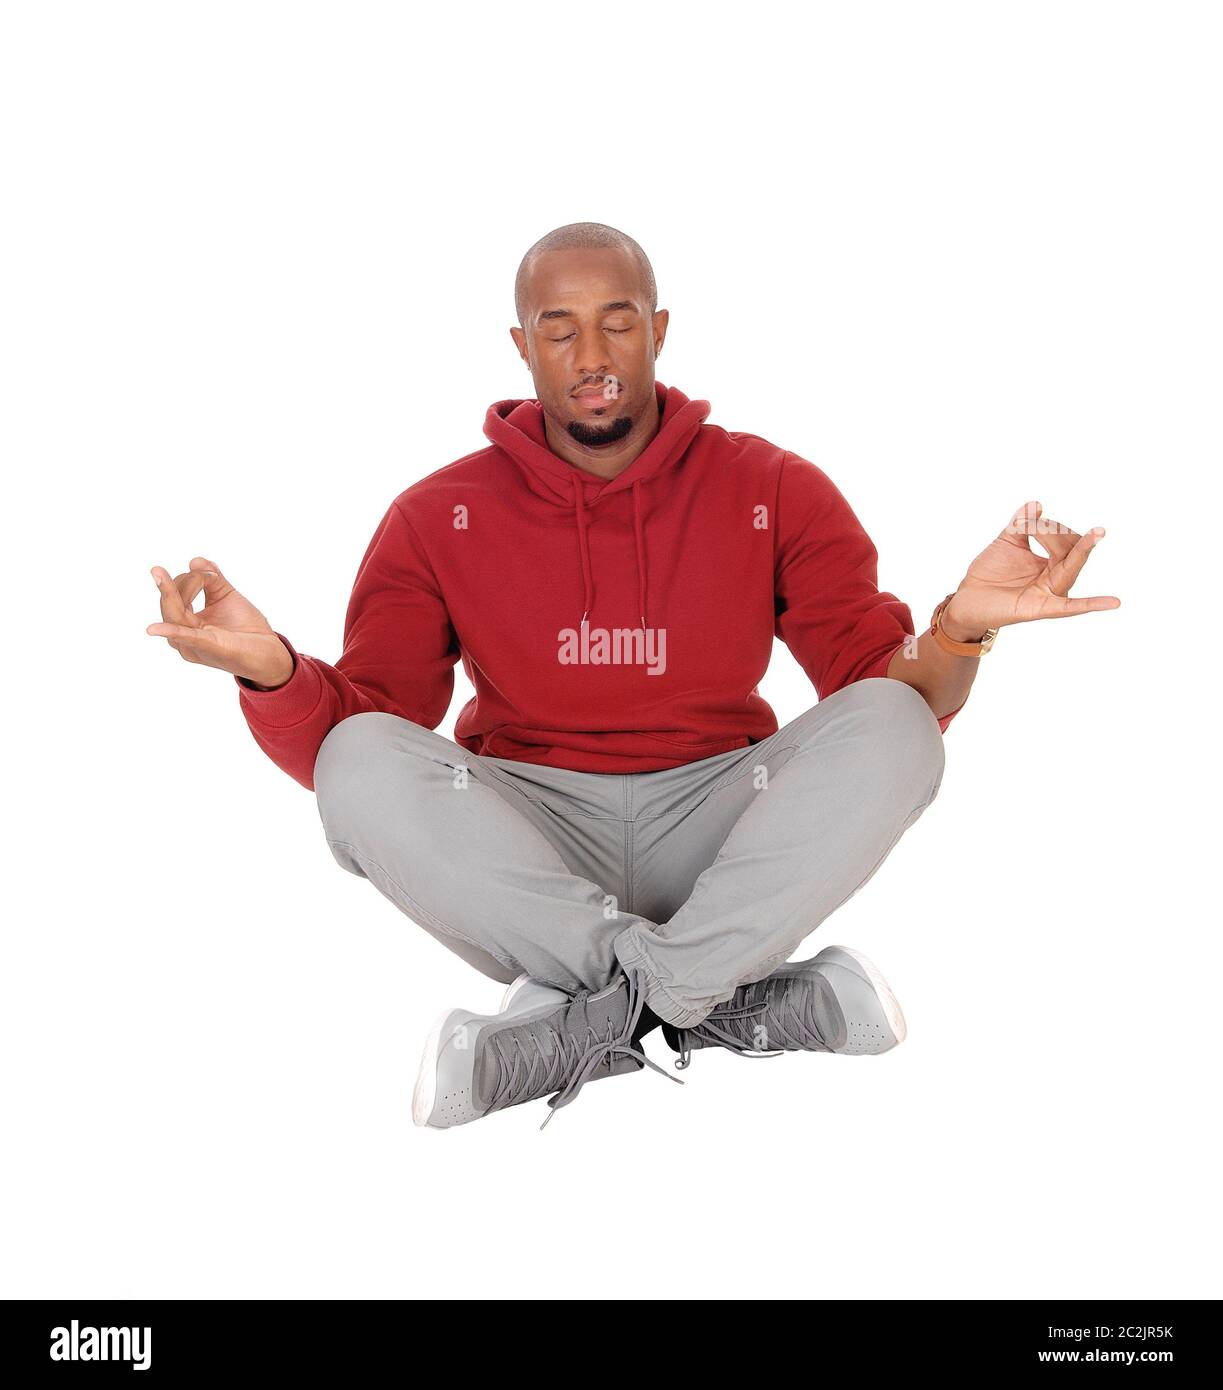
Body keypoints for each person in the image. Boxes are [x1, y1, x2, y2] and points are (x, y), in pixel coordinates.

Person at [147, 222, 1119, 1130]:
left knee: (897, 727)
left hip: (718, 825)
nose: (592, 357)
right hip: (526, 841)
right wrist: (269, 670)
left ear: (656, 330)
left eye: (616, 322)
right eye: (558, 331)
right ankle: (722, 1000)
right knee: (358, 760)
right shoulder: (435, 513)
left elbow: (881, 686)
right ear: (521, 348)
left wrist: (957, 629)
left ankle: (594, 1017)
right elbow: (372, 727)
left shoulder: (770, 486)